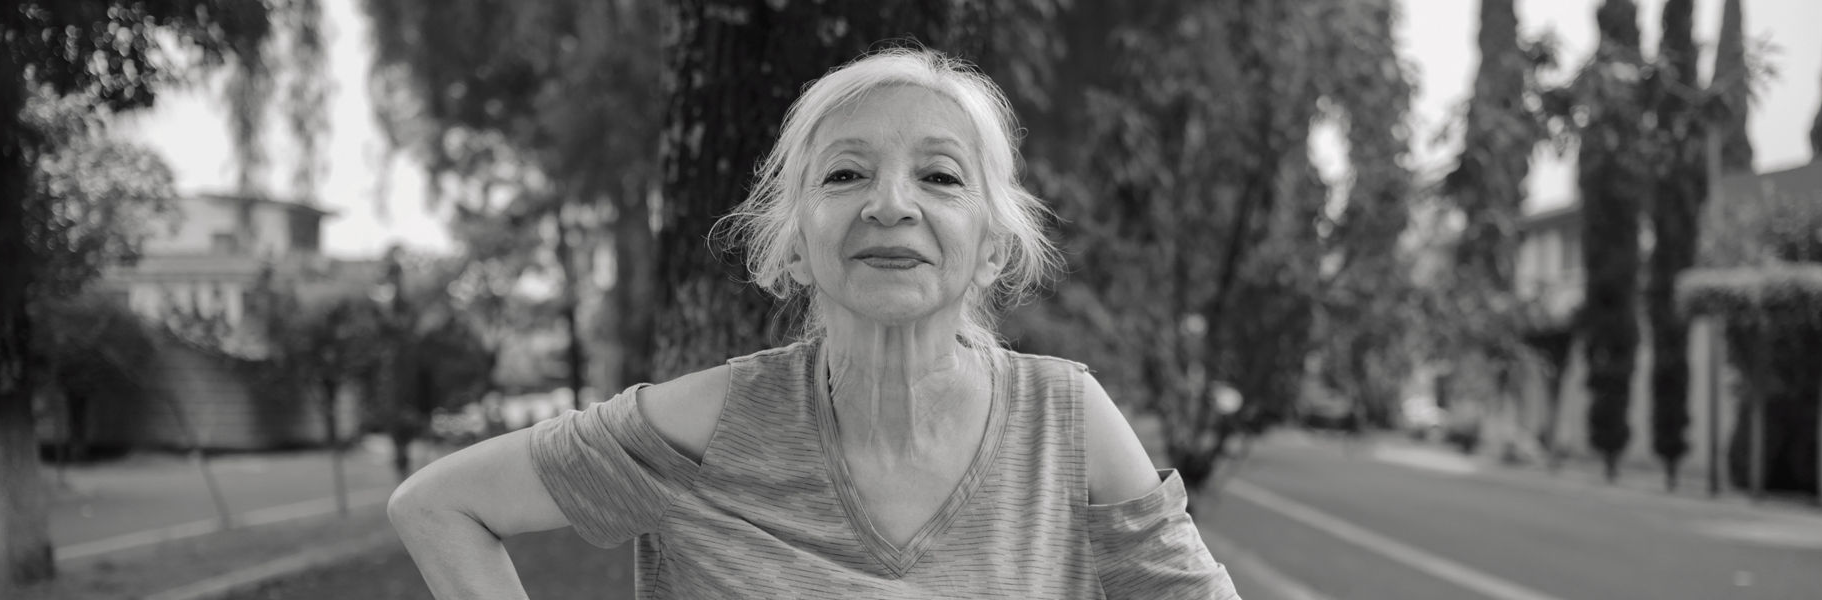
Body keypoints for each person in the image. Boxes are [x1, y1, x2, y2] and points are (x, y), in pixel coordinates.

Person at [387, 46, 1240, 599]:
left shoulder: (1069, 422)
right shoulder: (708, 425)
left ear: (990, 248)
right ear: (794, 247)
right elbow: (438, 508)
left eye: (941, 177)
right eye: (844, 176)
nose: (890, 205)